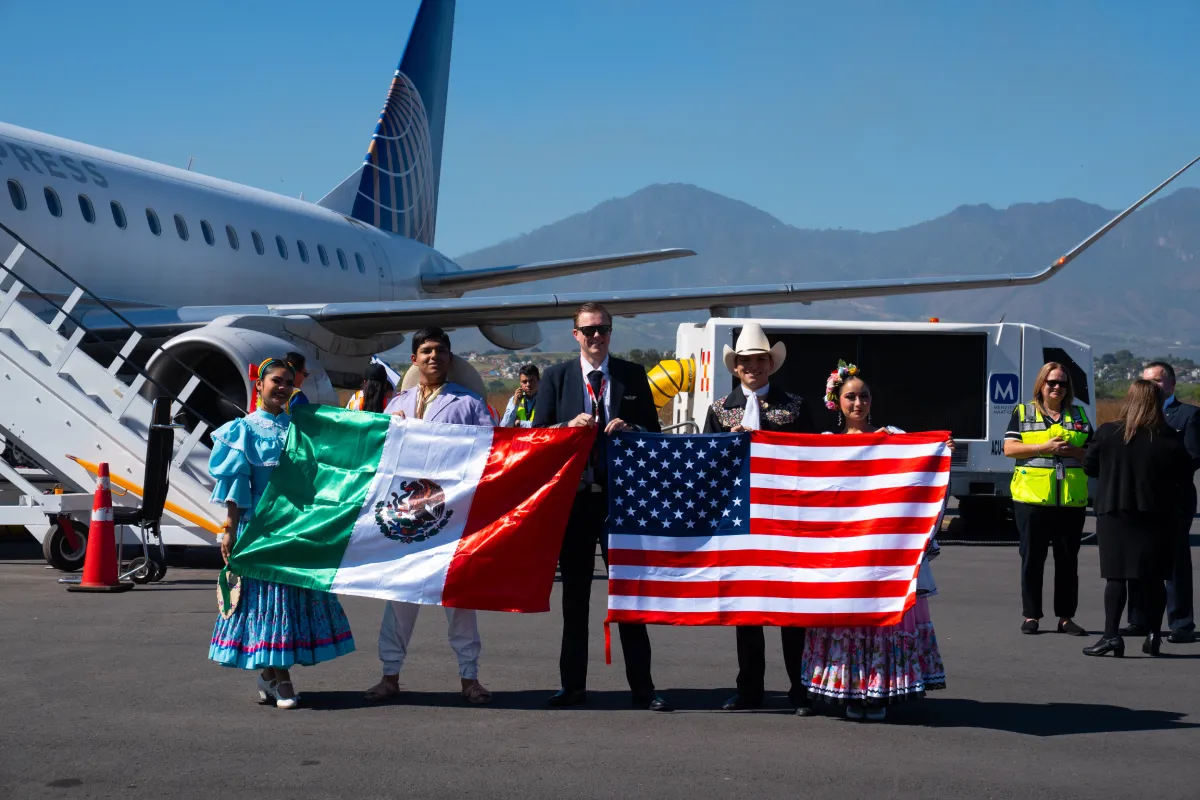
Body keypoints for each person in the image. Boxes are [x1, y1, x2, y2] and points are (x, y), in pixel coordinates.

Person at [533, 302, 670, 712]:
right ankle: (572, 686)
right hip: (575, 501)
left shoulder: (631, 374)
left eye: (603, 329)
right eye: (589, 330)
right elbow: (537, 437)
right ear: (575, 334)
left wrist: (632, 429)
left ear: (611, 332)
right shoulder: (556, 377)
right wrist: (565, 428)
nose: (596, 336)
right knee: (574, 599)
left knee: (629, 596)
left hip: (620, 502)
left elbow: (654, 433)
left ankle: (643, 689)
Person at [799, 363, 948, 721]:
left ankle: (878, 693)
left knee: (882, 619)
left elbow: (919, 477)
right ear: (837, 402)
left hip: (883, 552)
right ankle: (852, 691)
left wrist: (940, 452)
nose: (858, 403)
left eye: (864, 396)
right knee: (849, 620)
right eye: (850, 396)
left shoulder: (893, 437)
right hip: (842, 555)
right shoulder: (827, 445)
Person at [208, 357, 355, 708]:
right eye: (276, 380)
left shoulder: (300, 429)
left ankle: (269, 676)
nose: (283, 387)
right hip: (258, 530)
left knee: (287, 603)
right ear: (259, 385)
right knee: (268, 602)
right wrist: (229, 530)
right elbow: (236, 487)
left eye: (289, 382)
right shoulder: (242, 430)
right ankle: (282, 680)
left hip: (294, 528)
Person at [366, 327, 494, 704]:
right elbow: (380, 457)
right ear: (414, 359)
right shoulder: (396, 404)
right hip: (406, 516)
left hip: (452, 516)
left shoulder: (470, 404)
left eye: (440, 350)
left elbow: (490, 455)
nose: (433, 356)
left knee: (459, 600)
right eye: (426, 351)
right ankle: (390, 675)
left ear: (449, 357)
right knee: (399, 598)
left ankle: (470, 678)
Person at [702, 323, 815, 715]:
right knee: (746, 606)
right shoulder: (720, 409)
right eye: (746, 361)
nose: (753, 366)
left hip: (786, 517)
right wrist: (727, 444)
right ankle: (749, 688)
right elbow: (707, 464)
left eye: (760, 360)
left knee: (793, 607)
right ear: (736, 367)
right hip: (742, 517)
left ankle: (801, 688)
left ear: (771, 364)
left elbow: (814, 457)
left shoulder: (795, 406)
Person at [1082, 380, 1192, 658]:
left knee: (1116, 578)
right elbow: (1182, 475)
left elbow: (1089, 466)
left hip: (1115, 513)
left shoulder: (1108, 432)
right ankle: (1154, 635)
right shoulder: (1170, 438)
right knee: (1154, 578)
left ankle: (1111, 636)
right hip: (1158, 515)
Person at [1003, 362, 1092, 636]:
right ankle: (1032, 616)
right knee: (1032, 560)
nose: (1056, 387)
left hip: (1070, 502)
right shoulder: (1023, 412)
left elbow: (1093, 454)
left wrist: (1072, 450)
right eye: (1051, 382)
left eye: (1062, 383)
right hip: (1032, 500)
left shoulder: (1079, 415)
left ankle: (1066, 618)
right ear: (1041, 384)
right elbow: (1010, 448)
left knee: (1068, 562)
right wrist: (1044, 447)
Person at [1124, 362, 1198, 644]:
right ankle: (1139, 620)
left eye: (1156, 381)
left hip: (1173, 499)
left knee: (1175, 563)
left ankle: (1181, 624)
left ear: (1171, 384)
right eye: (1146, 381)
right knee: (1138, 560)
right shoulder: (1134, 416)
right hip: (1139, 499)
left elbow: (1193, 456)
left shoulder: (1188, 415)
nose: (1151, 386)